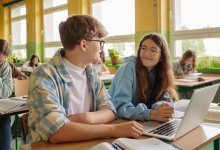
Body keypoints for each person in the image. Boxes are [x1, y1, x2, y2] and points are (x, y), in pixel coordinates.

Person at [26, 15, 143, 144]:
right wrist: (113, 129)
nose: (101, 48)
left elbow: (110, 110)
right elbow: (56, 131)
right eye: (100, 42)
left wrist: (84, 118)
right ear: (83, 44)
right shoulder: (44, 74)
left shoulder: (91, 72)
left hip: (86, 143)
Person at [109, 33, 179, 122]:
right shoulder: (128, 68)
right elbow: (119, 107)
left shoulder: (161, 73)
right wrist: (150, 114)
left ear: (162, 57)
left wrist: (161, 109)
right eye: (143, 48)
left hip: (139, 122)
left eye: (153, 50)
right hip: (118, 122)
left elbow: (165, 100)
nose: (146, 53)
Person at [0, 39, 13, 150]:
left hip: (1, 109)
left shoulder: (5, 67)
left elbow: (6, 93)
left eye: (0, 61)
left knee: (4, 119)